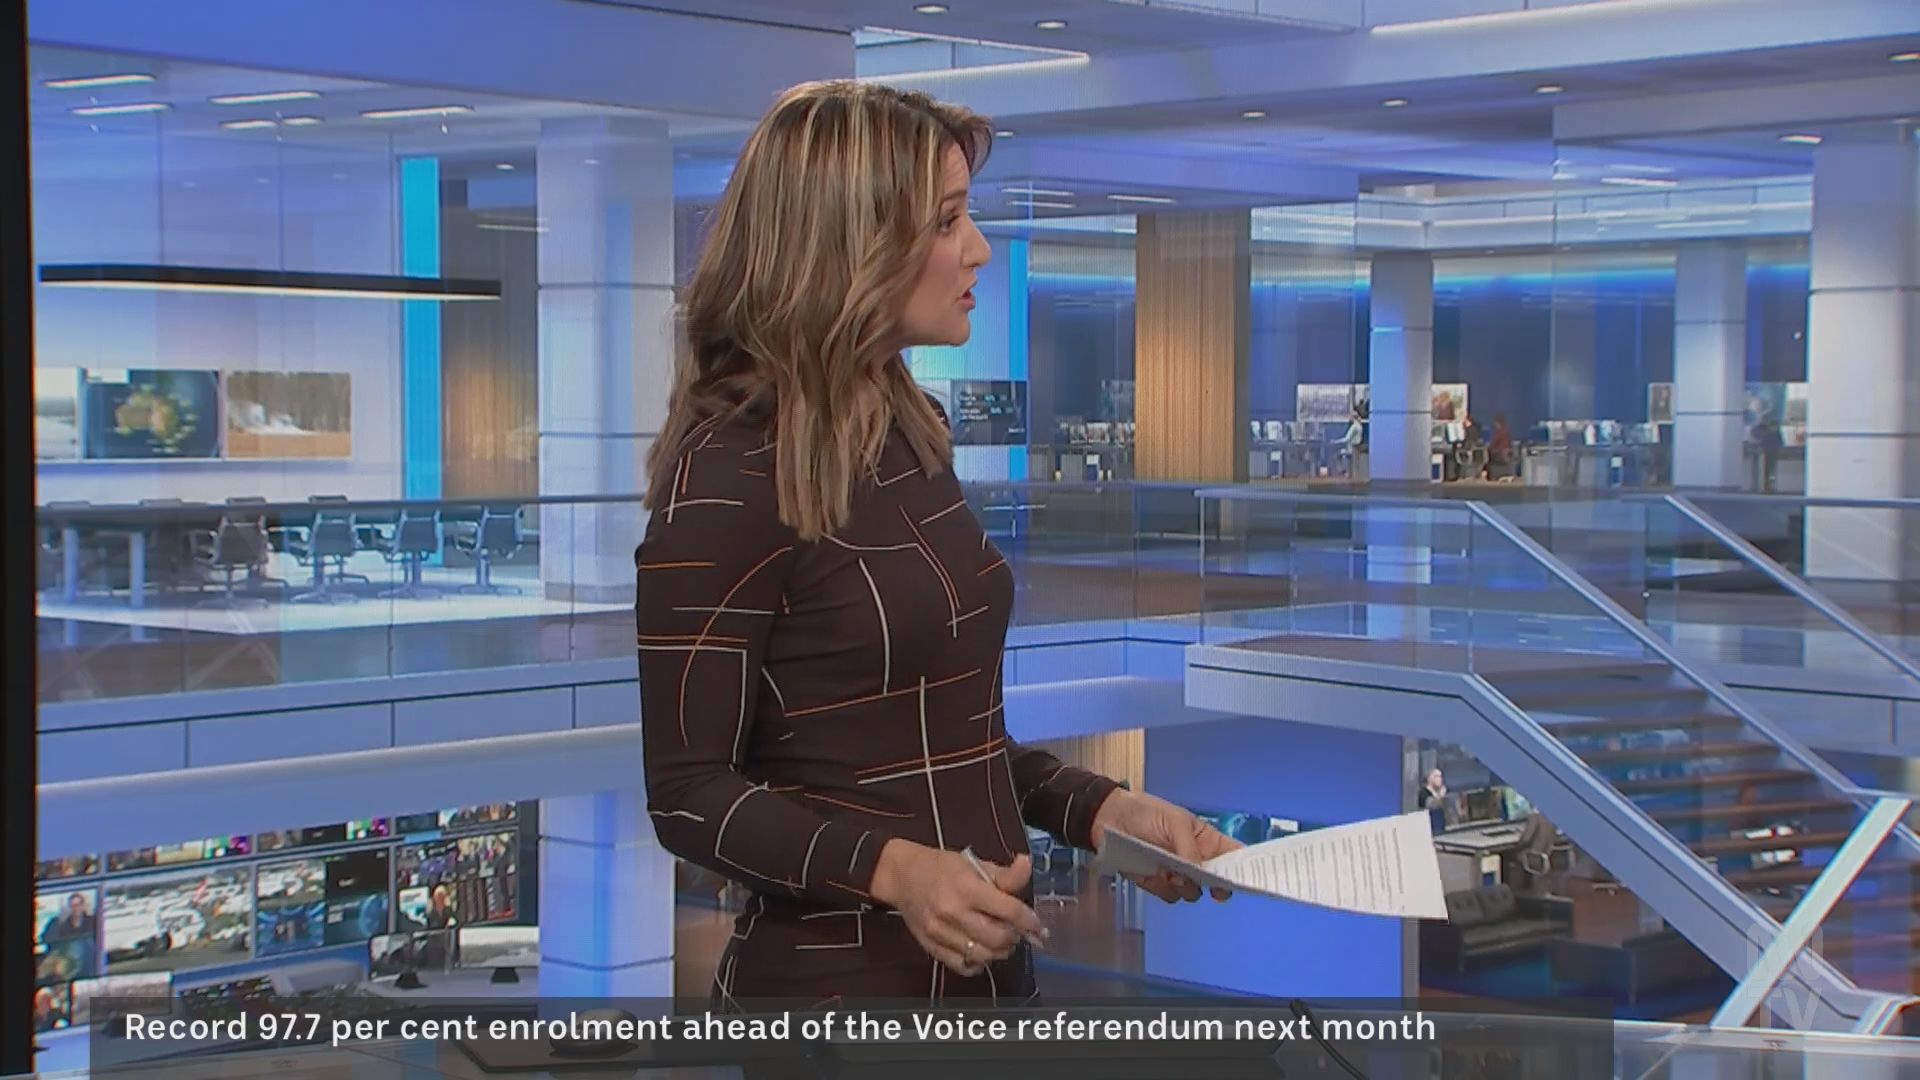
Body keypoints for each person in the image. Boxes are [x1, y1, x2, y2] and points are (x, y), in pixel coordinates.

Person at [636, 81, 1240, 1008]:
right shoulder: (727, 473)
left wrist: (1103, 811)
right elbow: (688, 792)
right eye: (948, 220)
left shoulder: (907, 437)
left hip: (986, 992)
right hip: (832, 1011)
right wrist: (896, 872)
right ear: (852, 243)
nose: (979, 248)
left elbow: (949, 747)